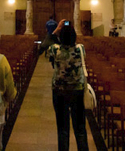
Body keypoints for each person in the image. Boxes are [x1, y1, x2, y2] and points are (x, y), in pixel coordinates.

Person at [48, 20, 89, 151]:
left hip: (59, 92)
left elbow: (44, 44)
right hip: (77, 90)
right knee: (80, 128)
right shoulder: (80, 48)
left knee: (62, 129)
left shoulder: (55, 50)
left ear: (60, 37)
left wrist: (56, 30)